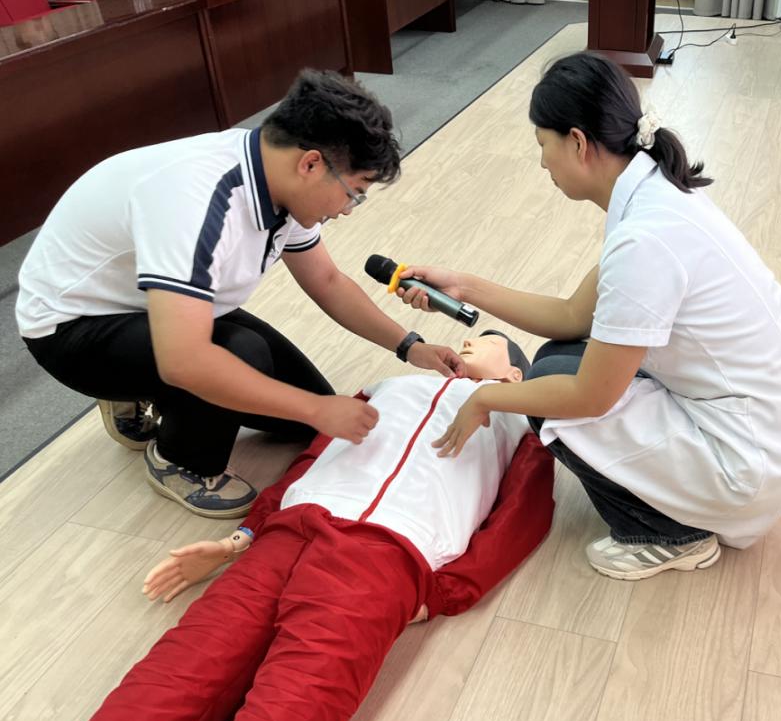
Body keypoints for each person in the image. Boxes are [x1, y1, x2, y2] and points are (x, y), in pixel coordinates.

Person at [11, 332, 554, 721]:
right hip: (288, 532)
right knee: (173, 678)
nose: (466, 342)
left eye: (487, 341)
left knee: (290, 712)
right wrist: (242, 537)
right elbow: (314, 457)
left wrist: (440, 595)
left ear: (514, 374)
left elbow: (522, 516)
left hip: (385, 553)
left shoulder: (518, 421)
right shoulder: (386, 388)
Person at [397, 51, 781, 581]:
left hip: (745, 465)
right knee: (556, 362)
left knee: (552, 394)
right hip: (766, 431)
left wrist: (485, 396)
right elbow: (573, 315)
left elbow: (589, 398)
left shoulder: (644, 242)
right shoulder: (655, 193)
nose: (542, 163)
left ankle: (670, 535)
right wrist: (462, 286)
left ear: (576, 142)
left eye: (543, 145)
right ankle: (679, 505)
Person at [16, 69, 465, 519]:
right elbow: (183, 361)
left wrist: (411, 347)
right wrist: (316, 408)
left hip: (154, 306)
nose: (348, 209)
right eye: (355, 193)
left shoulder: (278, 178)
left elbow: (327, 281)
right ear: (310, 164)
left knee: (297, 419)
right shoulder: (197, 199)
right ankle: (178, 461)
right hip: (73, 329)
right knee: (250, 360)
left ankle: (148, 388)